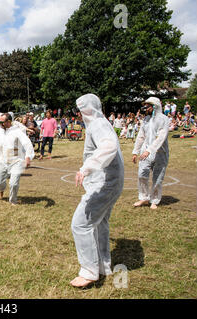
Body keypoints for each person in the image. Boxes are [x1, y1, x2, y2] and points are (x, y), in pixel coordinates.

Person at [70, 94, 124, 288]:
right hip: (108, 182)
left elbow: (109, 146)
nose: (78, 114)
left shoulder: (98, 125)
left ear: (88, 109)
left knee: (80, 224)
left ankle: (89, 271)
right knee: (100, 224)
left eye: (80, 109)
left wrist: (86, 168)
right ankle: (103, 266)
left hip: (104, 183)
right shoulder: (100, 122)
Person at [0, 113, 34, 206]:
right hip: (2, 161)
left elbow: (27, 143)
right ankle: (1, 191)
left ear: (8, 122)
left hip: (16, 161)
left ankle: (13, 200)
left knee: (13, 183)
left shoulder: (17, 131)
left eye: (2, 122)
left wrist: (28, 156)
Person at [132, 97, 169, 210]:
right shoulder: (146, 119)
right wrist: (135, 151)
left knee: (157, 178)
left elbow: (161, 137)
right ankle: (144, 197)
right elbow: (141, 136)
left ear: (155, 106)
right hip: (145, 152)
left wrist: (150, 150)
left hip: (160, 153)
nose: (145, 108)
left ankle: (154, 200)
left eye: (148, 105)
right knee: (141, 175)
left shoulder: (164, 119)